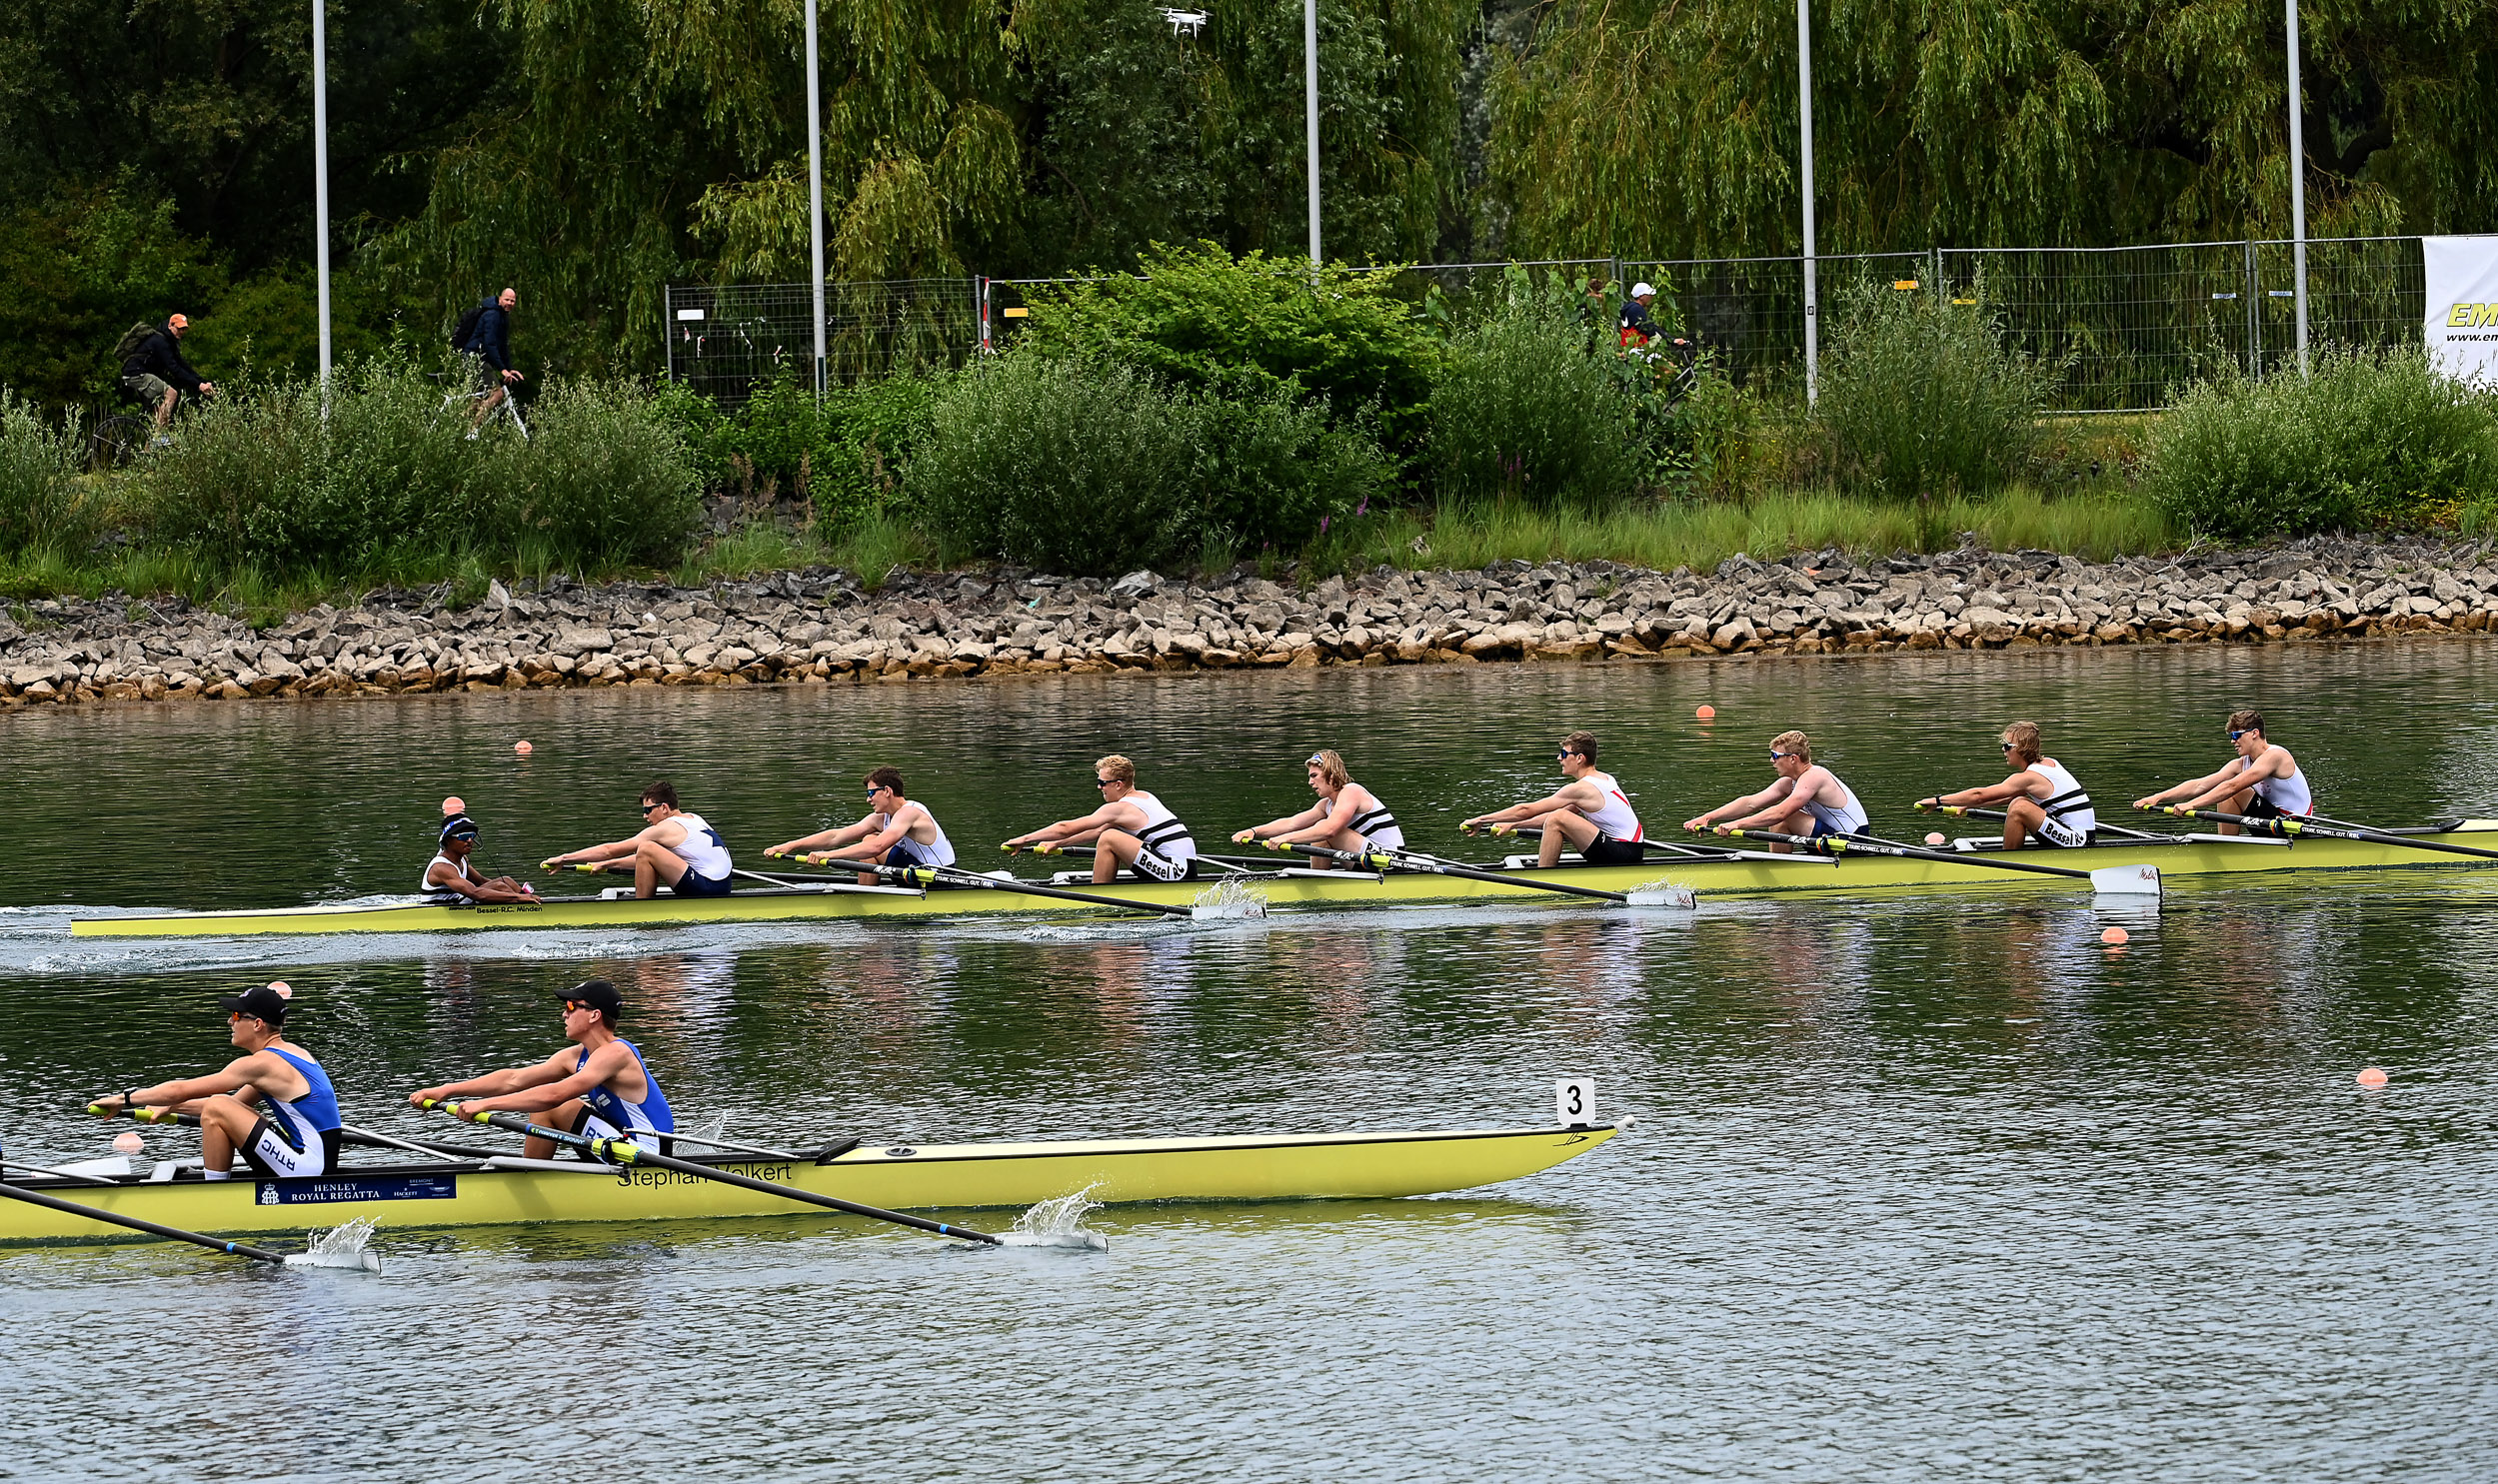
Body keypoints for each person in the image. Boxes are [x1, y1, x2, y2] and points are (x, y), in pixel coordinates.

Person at [89, 984, 341, 1179]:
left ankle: (215, 1192)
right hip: (315, 1163)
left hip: (309, 1170)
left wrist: (123, 1099)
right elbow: (232, 1107)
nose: (229, 1022)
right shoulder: (291, 1055)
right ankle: (218, 1184)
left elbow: (182, 1091)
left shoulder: (263, 1063)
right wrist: (172, 1108)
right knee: (218, 1107)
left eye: (235, 1015)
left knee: (216, 1106)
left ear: (257, 1024)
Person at [409, 978, 676, 1159]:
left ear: (594, 1015)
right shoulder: (574, 1056)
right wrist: (446, 1089)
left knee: (552, 1104)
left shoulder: (616, 1053)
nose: (564, 1014)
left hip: (647, 1152)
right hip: (618, 1143)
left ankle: (532, 1180)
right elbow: (513, 1079)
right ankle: (533, 1174)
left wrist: (486, 1105)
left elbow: (553, 1095)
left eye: (571, 1007)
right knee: (546, 1103)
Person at [1459, 732, 1646, 868]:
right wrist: (1513, 826)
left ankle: (1544, 878)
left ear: (1580, 758)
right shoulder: (1604, 778)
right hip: (1628, 850)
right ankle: (1547, 871)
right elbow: (1551, 818)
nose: (1559, 758)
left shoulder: (1582, 788)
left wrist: (1481, 820)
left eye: (1564, 754)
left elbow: (1526, 809)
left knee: (1558, 818)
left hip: (1624, 854)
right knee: (1558, 818)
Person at [1004, 754, 1198, 884]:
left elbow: (1065, 827)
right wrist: (1058, 843)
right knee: (1106, 834)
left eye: (1102, 783)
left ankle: (1099, 896)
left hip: (1176, 872)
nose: (1099, 788)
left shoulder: (1121, 808)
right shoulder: (1144, 797)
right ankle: (1103, 888)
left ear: (1119, 784)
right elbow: (1095, 831)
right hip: (1182, 869)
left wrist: (1024, 839)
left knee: (1109, 838)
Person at [1915, 721, 2097, 848]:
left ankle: (2008, 858)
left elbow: (1980, 795)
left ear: (2021, 748)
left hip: (2077, 840)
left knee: (2019, 807)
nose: (2003, 750)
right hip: (2077, 835)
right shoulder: (2049, 763)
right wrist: (1965, 805)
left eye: (2007, 746)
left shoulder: (2029, 777)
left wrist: (1937, 801)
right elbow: (2003, 797)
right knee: (2018, 801)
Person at [2131, 710, 2315, 833]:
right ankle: (2227, 847)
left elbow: (2233, 786)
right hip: (2273, 823)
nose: (2233, 741)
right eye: (2231, 737)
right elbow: (2199, 785)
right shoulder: (2240, 764)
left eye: (2236, 736)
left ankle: (2227, 848)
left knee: (2234, 789)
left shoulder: (2276, 756)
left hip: (2295, 826)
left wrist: (2192, 805)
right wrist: (2157, 797)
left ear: (2254, 733)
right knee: (2226, 789)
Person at [541, 779, 733, 898]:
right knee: (647, 851)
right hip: (721, 886)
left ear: (664, 808)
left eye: (647, 810)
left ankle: (641, 910)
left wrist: (564, 858)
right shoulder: (694, 818)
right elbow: (648, 861)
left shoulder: (666, 827)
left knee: (646, 847)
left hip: (707, 889)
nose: (645, 816)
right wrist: (609, 864)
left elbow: (610, 848)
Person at [1681, 731, 1870, 850]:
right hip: (1827, 839)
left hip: (1851, 840)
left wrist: (1737, 825)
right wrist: (1707, 817)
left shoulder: (1815, 776)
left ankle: (1781, 871)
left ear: (1793, 759)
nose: (1772, 761)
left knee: (1784, 815)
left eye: (1775, 756)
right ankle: (1781, 869)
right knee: (1778, 820)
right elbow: (1750, 802)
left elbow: (1781, 812)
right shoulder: (1789, 782)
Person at [770, 766, 957, 884]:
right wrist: (790, 845)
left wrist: (827, 855)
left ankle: (866, 901)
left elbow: (877, 847)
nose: (868, 799)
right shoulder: (881, 818)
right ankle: (866, 895)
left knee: (870, 841)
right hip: (914, 873)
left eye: (871, 793)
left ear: (887, 791)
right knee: (867, 838)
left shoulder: (910, 812)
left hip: (939, 877)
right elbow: (836, 836)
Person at [1233, 749, 1404, 864]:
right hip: (1365, 859)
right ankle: (1318, 885)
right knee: (1319, 834)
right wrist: (1253, 831)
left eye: (1314, 776)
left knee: (1323, 828)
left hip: (1390, 860)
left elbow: (1330, 830)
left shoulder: (1352, 791)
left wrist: (1287, 838)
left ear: (1331, 774)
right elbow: (1291, 823)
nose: (1310, 782)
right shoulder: (1326, 805)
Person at [119, 313, 215, 438]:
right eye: (179, 328)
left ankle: (149, 451)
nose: (181, 332)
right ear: (170, 325)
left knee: (159, 414)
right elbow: (174, 369)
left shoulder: (170, 342)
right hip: (136, 373)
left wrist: (202, 382)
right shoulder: (160, 341)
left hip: (143, 373)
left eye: (184, 329)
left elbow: (182, 365)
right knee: (171, 393)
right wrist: (198, 385)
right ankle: (158, 438)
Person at [422, 812, 539, 903]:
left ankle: (532, 902)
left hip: (458, 902)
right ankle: (524, 907)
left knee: (506, 881)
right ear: (448, 840)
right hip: (441, 911)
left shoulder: (462, 860)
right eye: (464, 837)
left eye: (472, 836)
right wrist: (517, 897)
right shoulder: (441, 867)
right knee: (500, 886)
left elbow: (481, 882)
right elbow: (474, 892)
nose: (469, 841)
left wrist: (514, 892)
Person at [461, 287, 522, 432]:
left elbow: (503, 346)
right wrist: (502, 369)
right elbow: (490, 344)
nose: (509, 303)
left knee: (479, 398)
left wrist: (508, 368)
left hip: (479, 357)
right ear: (500, 299)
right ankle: (472, 431)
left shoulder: (502, 316)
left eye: (512, 301)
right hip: (474, 357)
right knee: (497, 393)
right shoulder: (492, 315)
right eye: (507, 300)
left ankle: (457, 425)